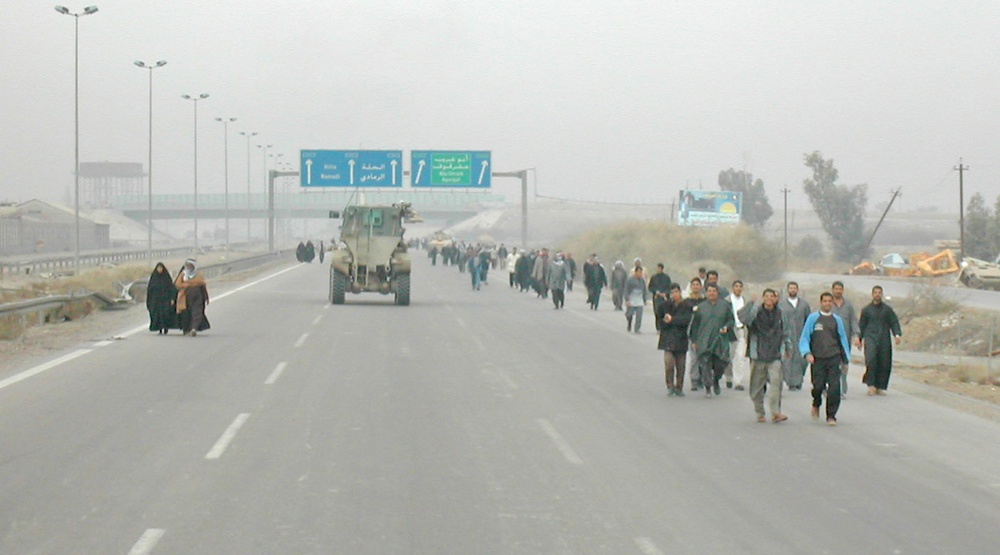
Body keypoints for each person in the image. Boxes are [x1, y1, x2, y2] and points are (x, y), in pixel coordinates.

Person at [739, 288, 790, 423]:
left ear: (775, 298)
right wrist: (753, 303)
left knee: (776, 383)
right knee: (756, 386)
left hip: (775, 353)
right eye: (766, 296)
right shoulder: (756, 312)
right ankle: (759, 411)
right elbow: (745, 319)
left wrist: (788, 348)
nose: (769, 298)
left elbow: (786, 332)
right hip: (758, 353)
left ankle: (775, 412)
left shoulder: (780, 313)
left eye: (771, 296)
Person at [799, 292, 851, 426]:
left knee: (834, 388)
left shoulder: (837, 320)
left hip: (834, 358)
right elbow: (805, 338)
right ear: (821, 303)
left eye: (830, 301)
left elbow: (843, 339)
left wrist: (846, 360)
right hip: (818, 359)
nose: (827, 303)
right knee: (818, 387)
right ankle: (816, 403)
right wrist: (807, 353)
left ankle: (831, 416)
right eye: (825, 301)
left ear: (832, 303)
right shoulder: (813, 318)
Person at [688, 283, 734, 397]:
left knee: (721, 364)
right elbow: (694, 326)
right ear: (706, 293)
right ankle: (708, 387)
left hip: (720, 341)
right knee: (705, 364)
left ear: (717, 292)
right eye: (709, 291)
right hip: (704, 341)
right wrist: (694, 341)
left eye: (714, 291)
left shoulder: (725, 305)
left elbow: (731, 320)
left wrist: (726, 327)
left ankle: (716, 380)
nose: (712, 293)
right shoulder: (700, 307)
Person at [858, 285, 902, 396]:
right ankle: (871, 385)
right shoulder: (866, 310)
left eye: (879, 292)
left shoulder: (887, 310)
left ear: (881, 294)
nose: (877, 294)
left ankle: (880, 386)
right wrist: (859, 339)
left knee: (884, 362)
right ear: (872, 294)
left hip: (884, 338)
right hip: (870, 337)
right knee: (871, 360)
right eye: (875, 292)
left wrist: (897, 335)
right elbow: (862, 326)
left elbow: (894, 322)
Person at [657, 283, 693, 396]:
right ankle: (670, 386)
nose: (674, 295)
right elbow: (659, 321)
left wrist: (672, 319)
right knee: (668, 364)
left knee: (681, 366)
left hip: (681, 339)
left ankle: (679, 387)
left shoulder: (687, 306)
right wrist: (665, 321)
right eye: (672, 292)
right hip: (667, 339)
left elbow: (685, 320)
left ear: (680, 292)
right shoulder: (664, 306)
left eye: (676, 292)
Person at [780, 281, 811, 390]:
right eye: (791, 288)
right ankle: (791, 382)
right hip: (787, 336)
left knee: (802, 359)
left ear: (797, 290)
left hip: (802, 336)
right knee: (788, 359)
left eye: (794, 288)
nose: (793, 290)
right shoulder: (782, 305)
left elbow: (809, 320)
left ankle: (799, 379)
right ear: (787, 290)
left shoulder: (804, 305)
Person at [830, 281, 859, 397]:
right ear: (832, 290)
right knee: (831, 365)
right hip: (830, 341)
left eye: (840, 289)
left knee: (844, 364)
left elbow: (853, 321)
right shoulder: (828, 304)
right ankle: (830, 387)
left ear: (842, 290)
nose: (838, 291)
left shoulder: (848, 306)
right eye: (836, 289)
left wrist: (856, 335)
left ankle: (842, 388)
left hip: (845, 341)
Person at [174, 258, 210, 337]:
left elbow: (202, 282)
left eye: (191, 265)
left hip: (197, 295)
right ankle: (187, 329)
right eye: (188, 265)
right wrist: (184, 285)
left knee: (197, 312)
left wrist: (206, 297)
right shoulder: (183, 274)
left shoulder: (198, 274)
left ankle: (194, 328)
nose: (189, 267)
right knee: (186, 313)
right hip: (185, 296)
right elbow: (177, 284)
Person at [726, 280, 749, 390]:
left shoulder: (744, 301)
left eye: (740, 286)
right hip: (730, 330)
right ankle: (729, 377)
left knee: (740, 357)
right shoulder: (727, 301)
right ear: (732, 288)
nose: (738, 288)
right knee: (729, 356)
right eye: (736, 286)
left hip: (741, 330)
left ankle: (738, 381)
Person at [685, 277, 705, 391]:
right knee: (694, 357)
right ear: (691, 287)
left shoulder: (704, 302)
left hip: (703, 332)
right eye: (694, 284)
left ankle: (702, 378)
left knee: (703, 356)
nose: (696, 286)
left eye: (698, 284)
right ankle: (694, 379)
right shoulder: (687, 302)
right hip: (692, 332)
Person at [146, 262, 177, 334]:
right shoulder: (153, 278)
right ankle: (159, 328)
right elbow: (150, 290)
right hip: (155, 300)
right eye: (158, 268)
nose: (160, 270)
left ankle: (165, 327)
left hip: (165, 300)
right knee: (156, 314)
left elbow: (171, 288)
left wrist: (172, 298)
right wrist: (149, 301)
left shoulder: (166, 278)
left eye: (161, 268)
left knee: (165, 314)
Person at [624, 266, 648, 333]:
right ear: (635, 272)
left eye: (641, 272)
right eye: (639, 272)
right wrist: (627, 300)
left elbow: (645, 290)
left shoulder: (642, 281)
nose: (640, 274)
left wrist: (645, 299)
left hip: (639, 300)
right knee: (629, 314)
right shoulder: (630, 280)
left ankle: (637, 328)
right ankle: (629, 323)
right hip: (631, 300)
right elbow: (626, 290)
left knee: (639, 316)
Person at [648, 263, 672, 327]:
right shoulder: (653, 277)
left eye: (659, 268)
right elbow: (650, 287)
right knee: (657, 312)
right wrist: (656, 292)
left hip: (665, 298)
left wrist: (665, 293)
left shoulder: (666, 277)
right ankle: (658, 327)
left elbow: (670, 287)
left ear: (662, 269)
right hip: (656, 298)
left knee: (665, 312)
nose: (658, 269)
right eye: (657, 268)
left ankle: (664, 325)